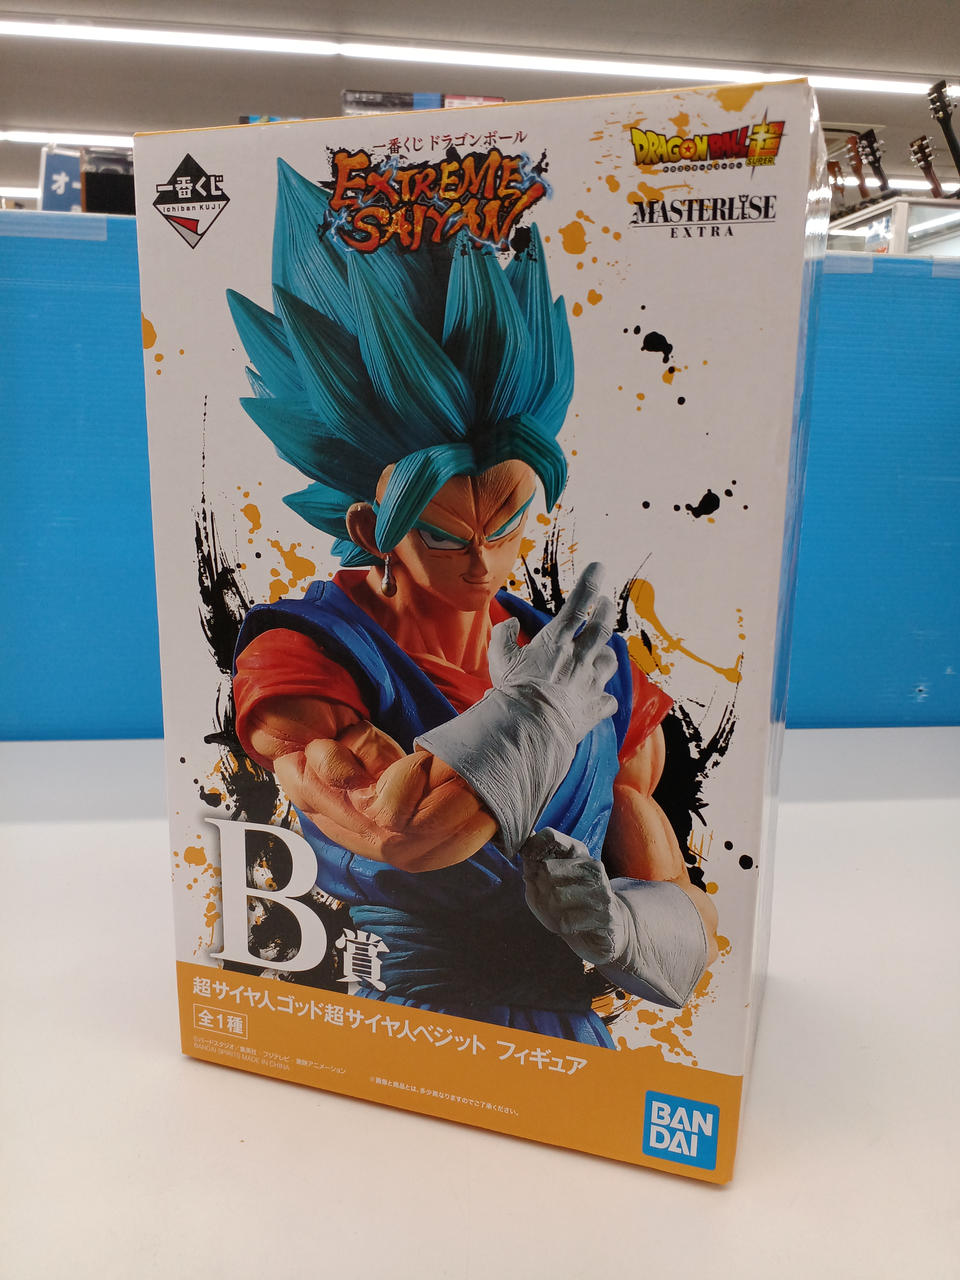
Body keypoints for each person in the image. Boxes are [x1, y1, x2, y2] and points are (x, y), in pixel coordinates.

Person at [227, 159, 718, 1048]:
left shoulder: (590, 667)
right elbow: (404, 833)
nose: (486, 563)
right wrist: (532, 717)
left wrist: (625, 930)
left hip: (570, 1030)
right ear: (373, 528)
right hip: (410, 1027)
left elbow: (676, 912)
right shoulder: (304, 659)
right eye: (448, 536)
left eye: (510, 524)